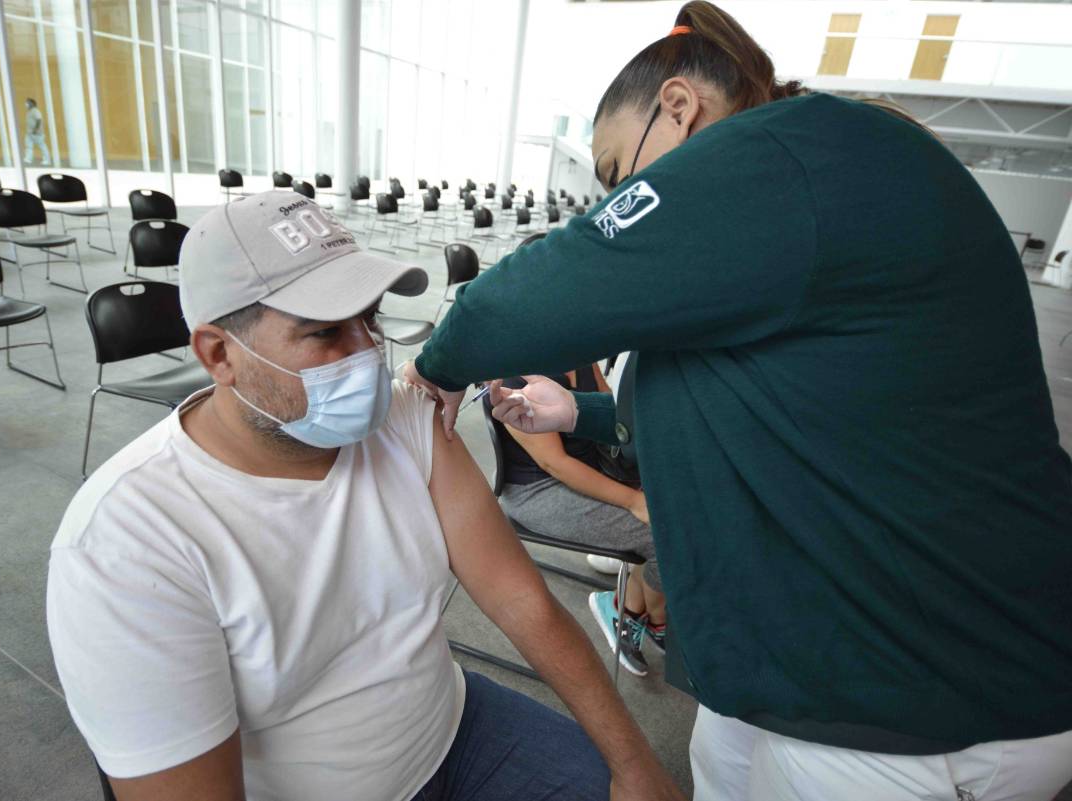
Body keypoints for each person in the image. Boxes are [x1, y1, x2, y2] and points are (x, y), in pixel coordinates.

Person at [404, 2, 1072, 799]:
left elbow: (526, 298)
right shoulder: (795, 206)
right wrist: (581, 413)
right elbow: (777, 402)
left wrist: (435, 368)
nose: (612, 196)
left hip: (912, 688)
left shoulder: (787, 153)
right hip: (797, 657)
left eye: (617, 173)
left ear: (679, 108)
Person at [47, 191, 682, 801]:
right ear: (220, 355)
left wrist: (634, 764)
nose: (367, 355)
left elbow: (522, 602)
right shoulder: (128, 542)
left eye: (369, 318)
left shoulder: (405, 419)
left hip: (454, 727)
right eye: (325, 332)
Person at [496, 364, 666, 677]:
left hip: (594, 467)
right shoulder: (515, 377)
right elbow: (556, 464)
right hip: (539, 491)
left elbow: (613, 415)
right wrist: (633, 500)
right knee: (665, 538)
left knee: (677, 509)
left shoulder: (581, 356)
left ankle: (636, 606)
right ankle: (643, 616)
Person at [23, 98, 50, 166]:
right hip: (29, 133)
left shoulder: (36, 111)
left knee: (42, 146)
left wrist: (36, 129)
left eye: (28, 103)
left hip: (37, 133)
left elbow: (39, 120)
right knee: (28, 146)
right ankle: (28, 158)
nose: (26, 104)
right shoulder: (29, 111)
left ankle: (46, 160)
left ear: (32, 103)